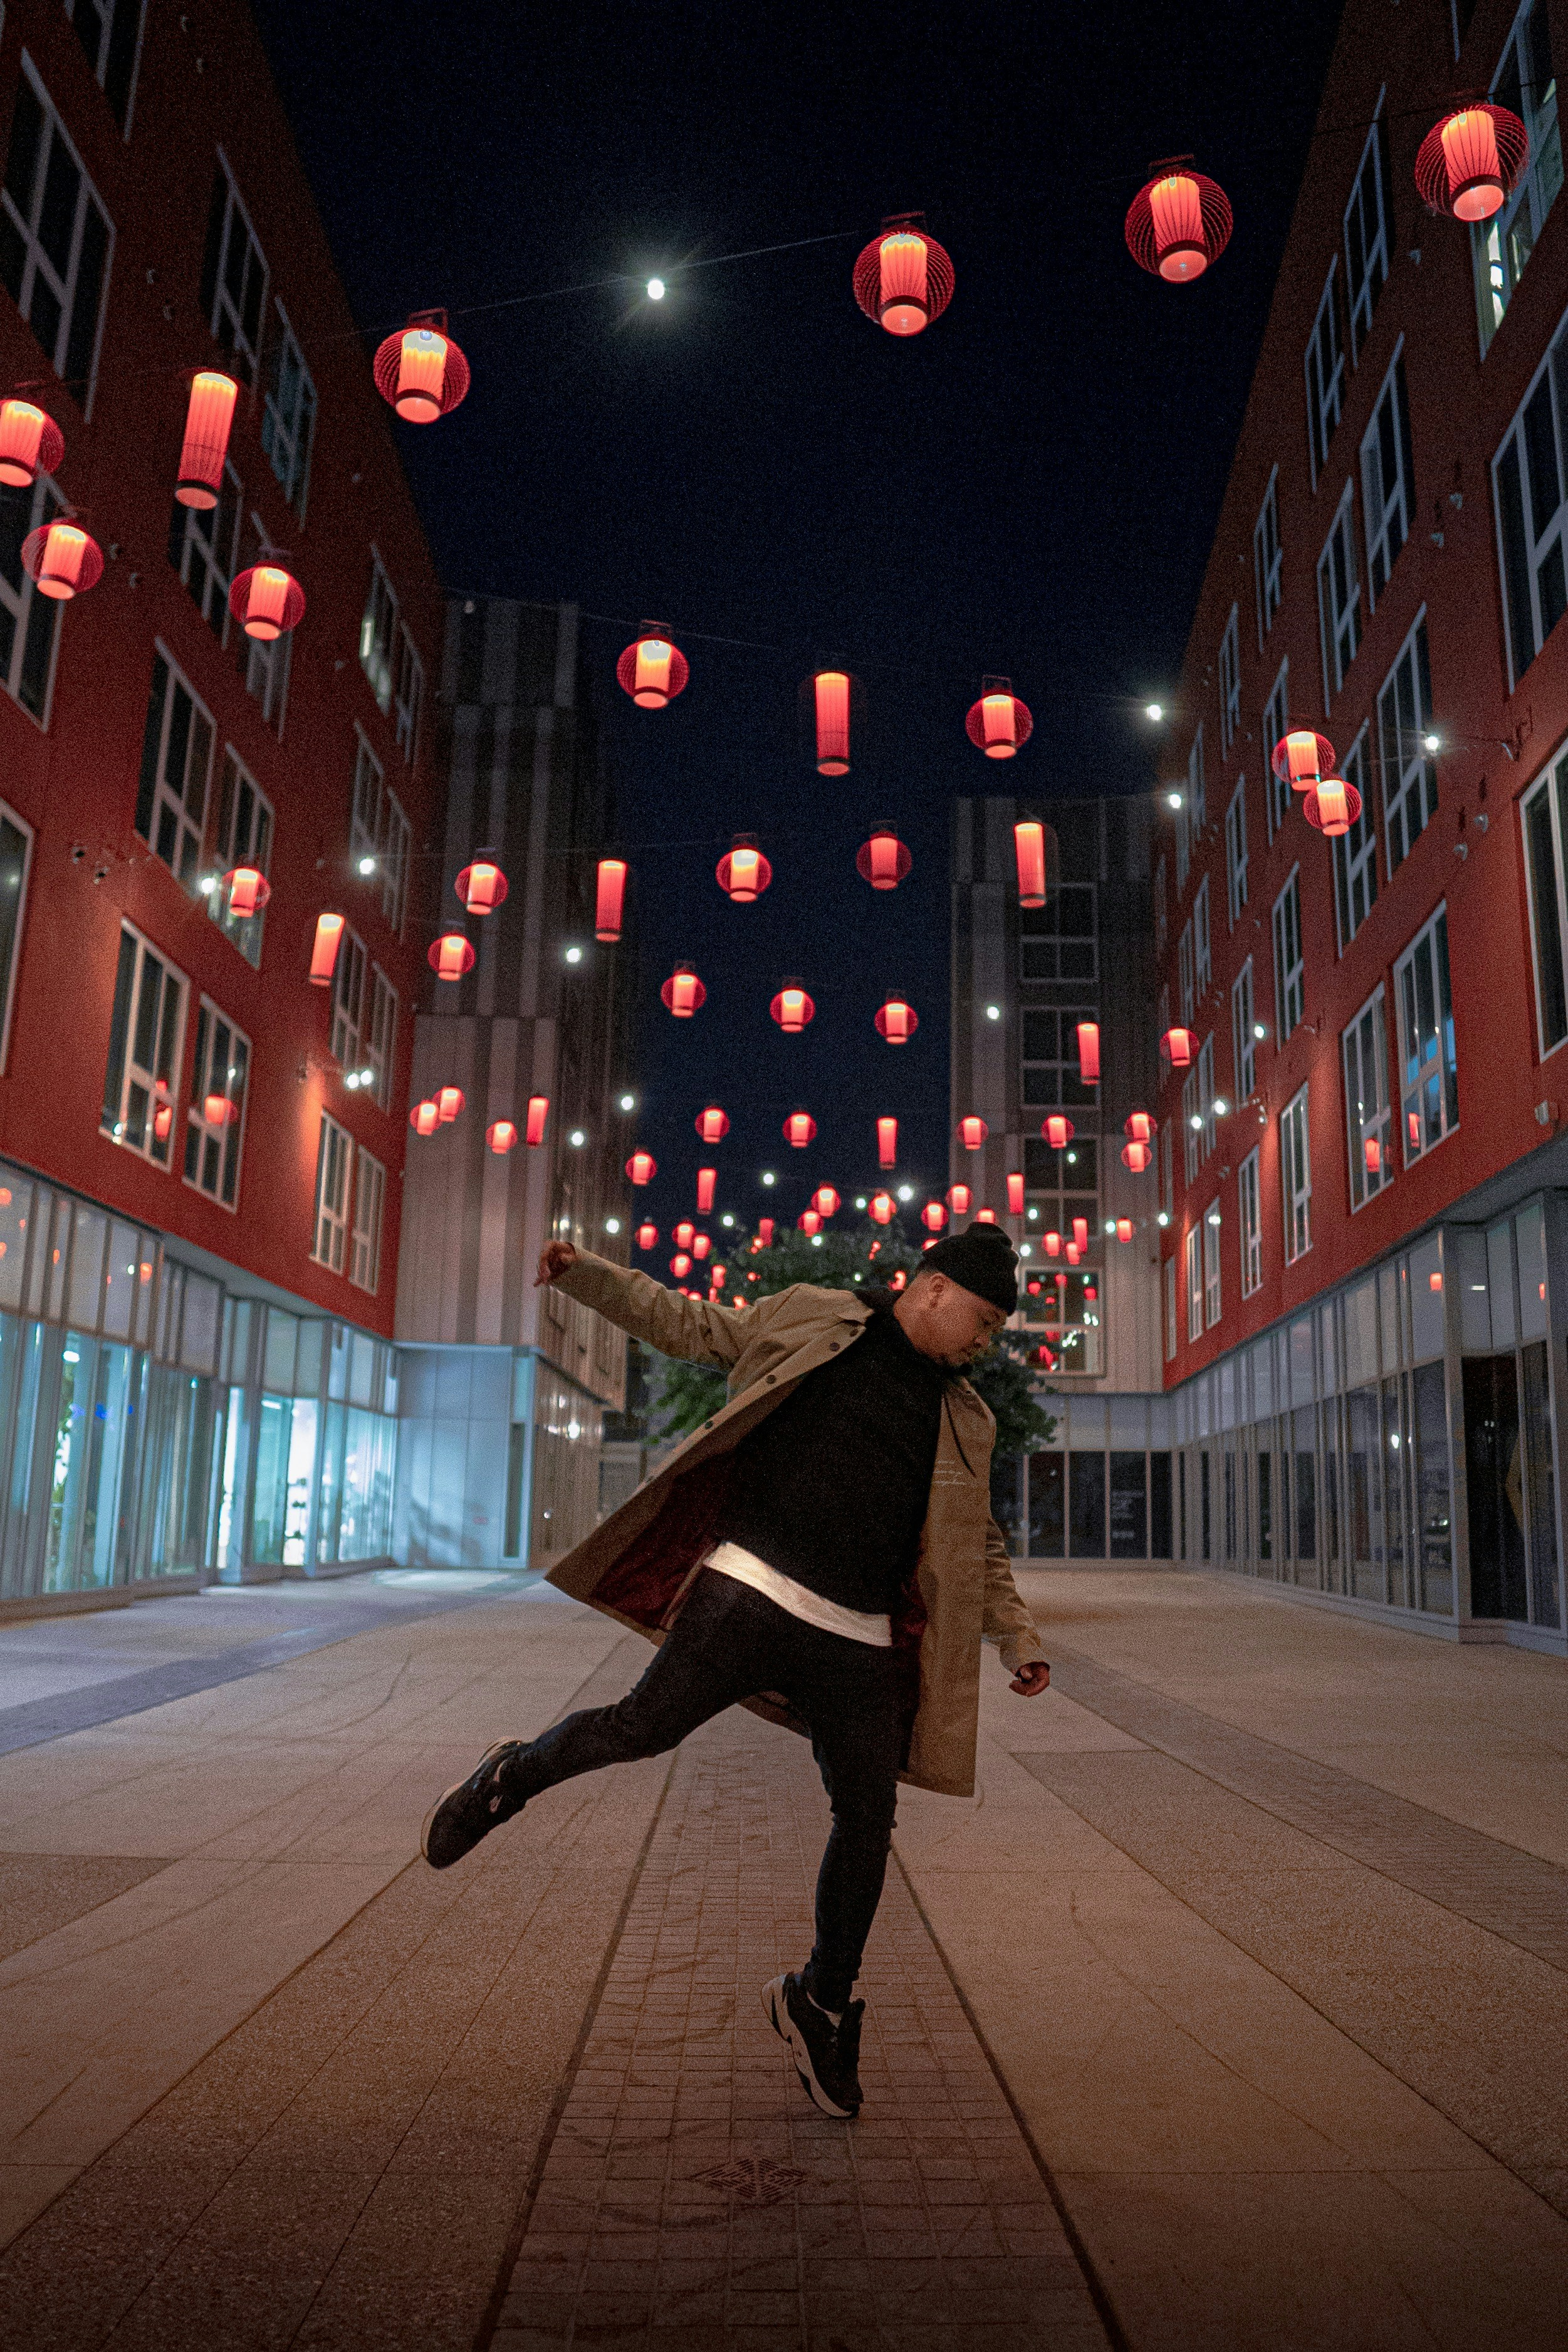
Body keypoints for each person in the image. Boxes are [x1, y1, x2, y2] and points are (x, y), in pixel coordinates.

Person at [422, 1221, 1050, 2119]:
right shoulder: (817, 1318)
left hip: (860, 1634)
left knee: (868, 1816)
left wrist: (1016, 1635)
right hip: (749, 1586)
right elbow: (694, 1327)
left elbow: (976, 1543)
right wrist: (587, 1277)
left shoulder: (965, 1419)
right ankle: (506, 1778)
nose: (986, 1343)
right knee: (643, 1728)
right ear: (934, 1286)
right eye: (983, 1321)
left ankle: (821, 2002)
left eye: (996, 1331)